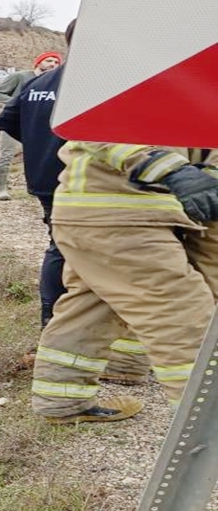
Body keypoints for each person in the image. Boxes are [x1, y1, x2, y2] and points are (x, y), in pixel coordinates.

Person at [29, 139, 218, 424]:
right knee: (181, 315)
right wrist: (170, 169)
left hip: (98, 210)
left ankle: (64, 398)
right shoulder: (114, 93)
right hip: (124, 213)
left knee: (93, 306)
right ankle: (205, 434)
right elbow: (93, 126)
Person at [0, 31, 74, 327]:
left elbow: (6, 121)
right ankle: (59, 316)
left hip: (44, 177)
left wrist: (39, 141)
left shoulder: (37, 83)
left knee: (58, 245)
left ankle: (50, 316)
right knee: (74, 247)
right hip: (81, 181)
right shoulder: (93, 83)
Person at [0, 51, 64, 200]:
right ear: (38, 62)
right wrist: (20, 103)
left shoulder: (56, 81)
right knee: (6, 154)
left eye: (56, 62)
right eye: (48, 61)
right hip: (16, 120)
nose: (52, 64)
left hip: (40, 124)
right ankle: (0, 189)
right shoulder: (21, 76)